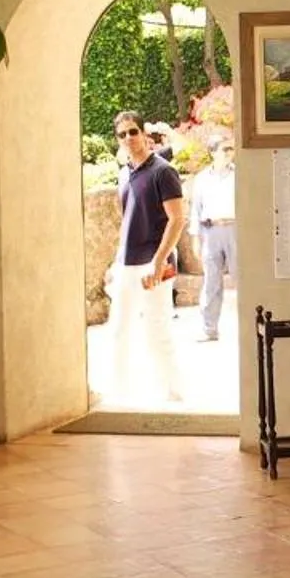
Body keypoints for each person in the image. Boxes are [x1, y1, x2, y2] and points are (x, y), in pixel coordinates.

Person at [104, 110, 186, 402]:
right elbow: (127, 219)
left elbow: (177, 220)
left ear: (144, 135)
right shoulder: (124, 173)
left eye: (133, 131)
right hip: (126, 263)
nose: (129, 138)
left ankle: (174, 394)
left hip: (155, 262)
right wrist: (116, 261)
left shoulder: (163, 172)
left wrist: (159, 260)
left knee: (157, 329)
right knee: (119, 329)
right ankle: (119, 394)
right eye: (123, 134)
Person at [185, 136, 237, 341]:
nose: (227, 153)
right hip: (211, 229)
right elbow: (196, 210)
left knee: (242, 278)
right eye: (223, 149)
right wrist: (196, 239)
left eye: (230, 149)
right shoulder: (202, 179)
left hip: (234, 227)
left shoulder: (238, 175)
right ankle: (209, 329)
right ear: (213, 152)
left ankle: (249, 325)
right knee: (211, 282)